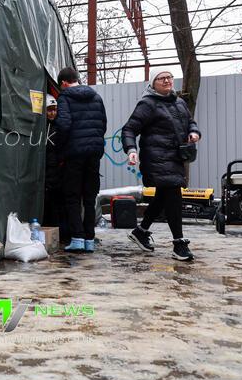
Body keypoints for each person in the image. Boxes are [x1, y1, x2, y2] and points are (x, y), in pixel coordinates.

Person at [122, 69, 201, 261]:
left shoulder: (180, 102)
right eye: (161, 78)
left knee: (163, 196)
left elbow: (191, 122)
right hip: (155, 158)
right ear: (153, 83)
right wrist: (131, 150)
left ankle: (141, 231)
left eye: (169, 77)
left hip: (175, 157)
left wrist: (194, 132)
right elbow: (129, 129)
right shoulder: (147, 104)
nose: (167, 80)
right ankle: (178, 243)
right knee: (173, 192)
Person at [54, 67, 107, 252]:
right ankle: (90, 240)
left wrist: (59, 148)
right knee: (90, 197)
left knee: (73, 196)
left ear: (63, 83)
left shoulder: (65, 97)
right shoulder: (96, 97)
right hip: (94, 153)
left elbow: (64, 124)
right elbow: (103, 125)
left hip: (74, 154)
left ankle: (77, 238)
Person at [43, 95, 69, 244]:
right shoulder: (42, 128)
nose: (52, 113)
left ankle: (61, 235)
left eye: (54, 110)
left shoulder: (59, 127)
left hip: (57, 172)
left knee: (58, 205)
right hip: (48, 172)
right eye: (49, 110)